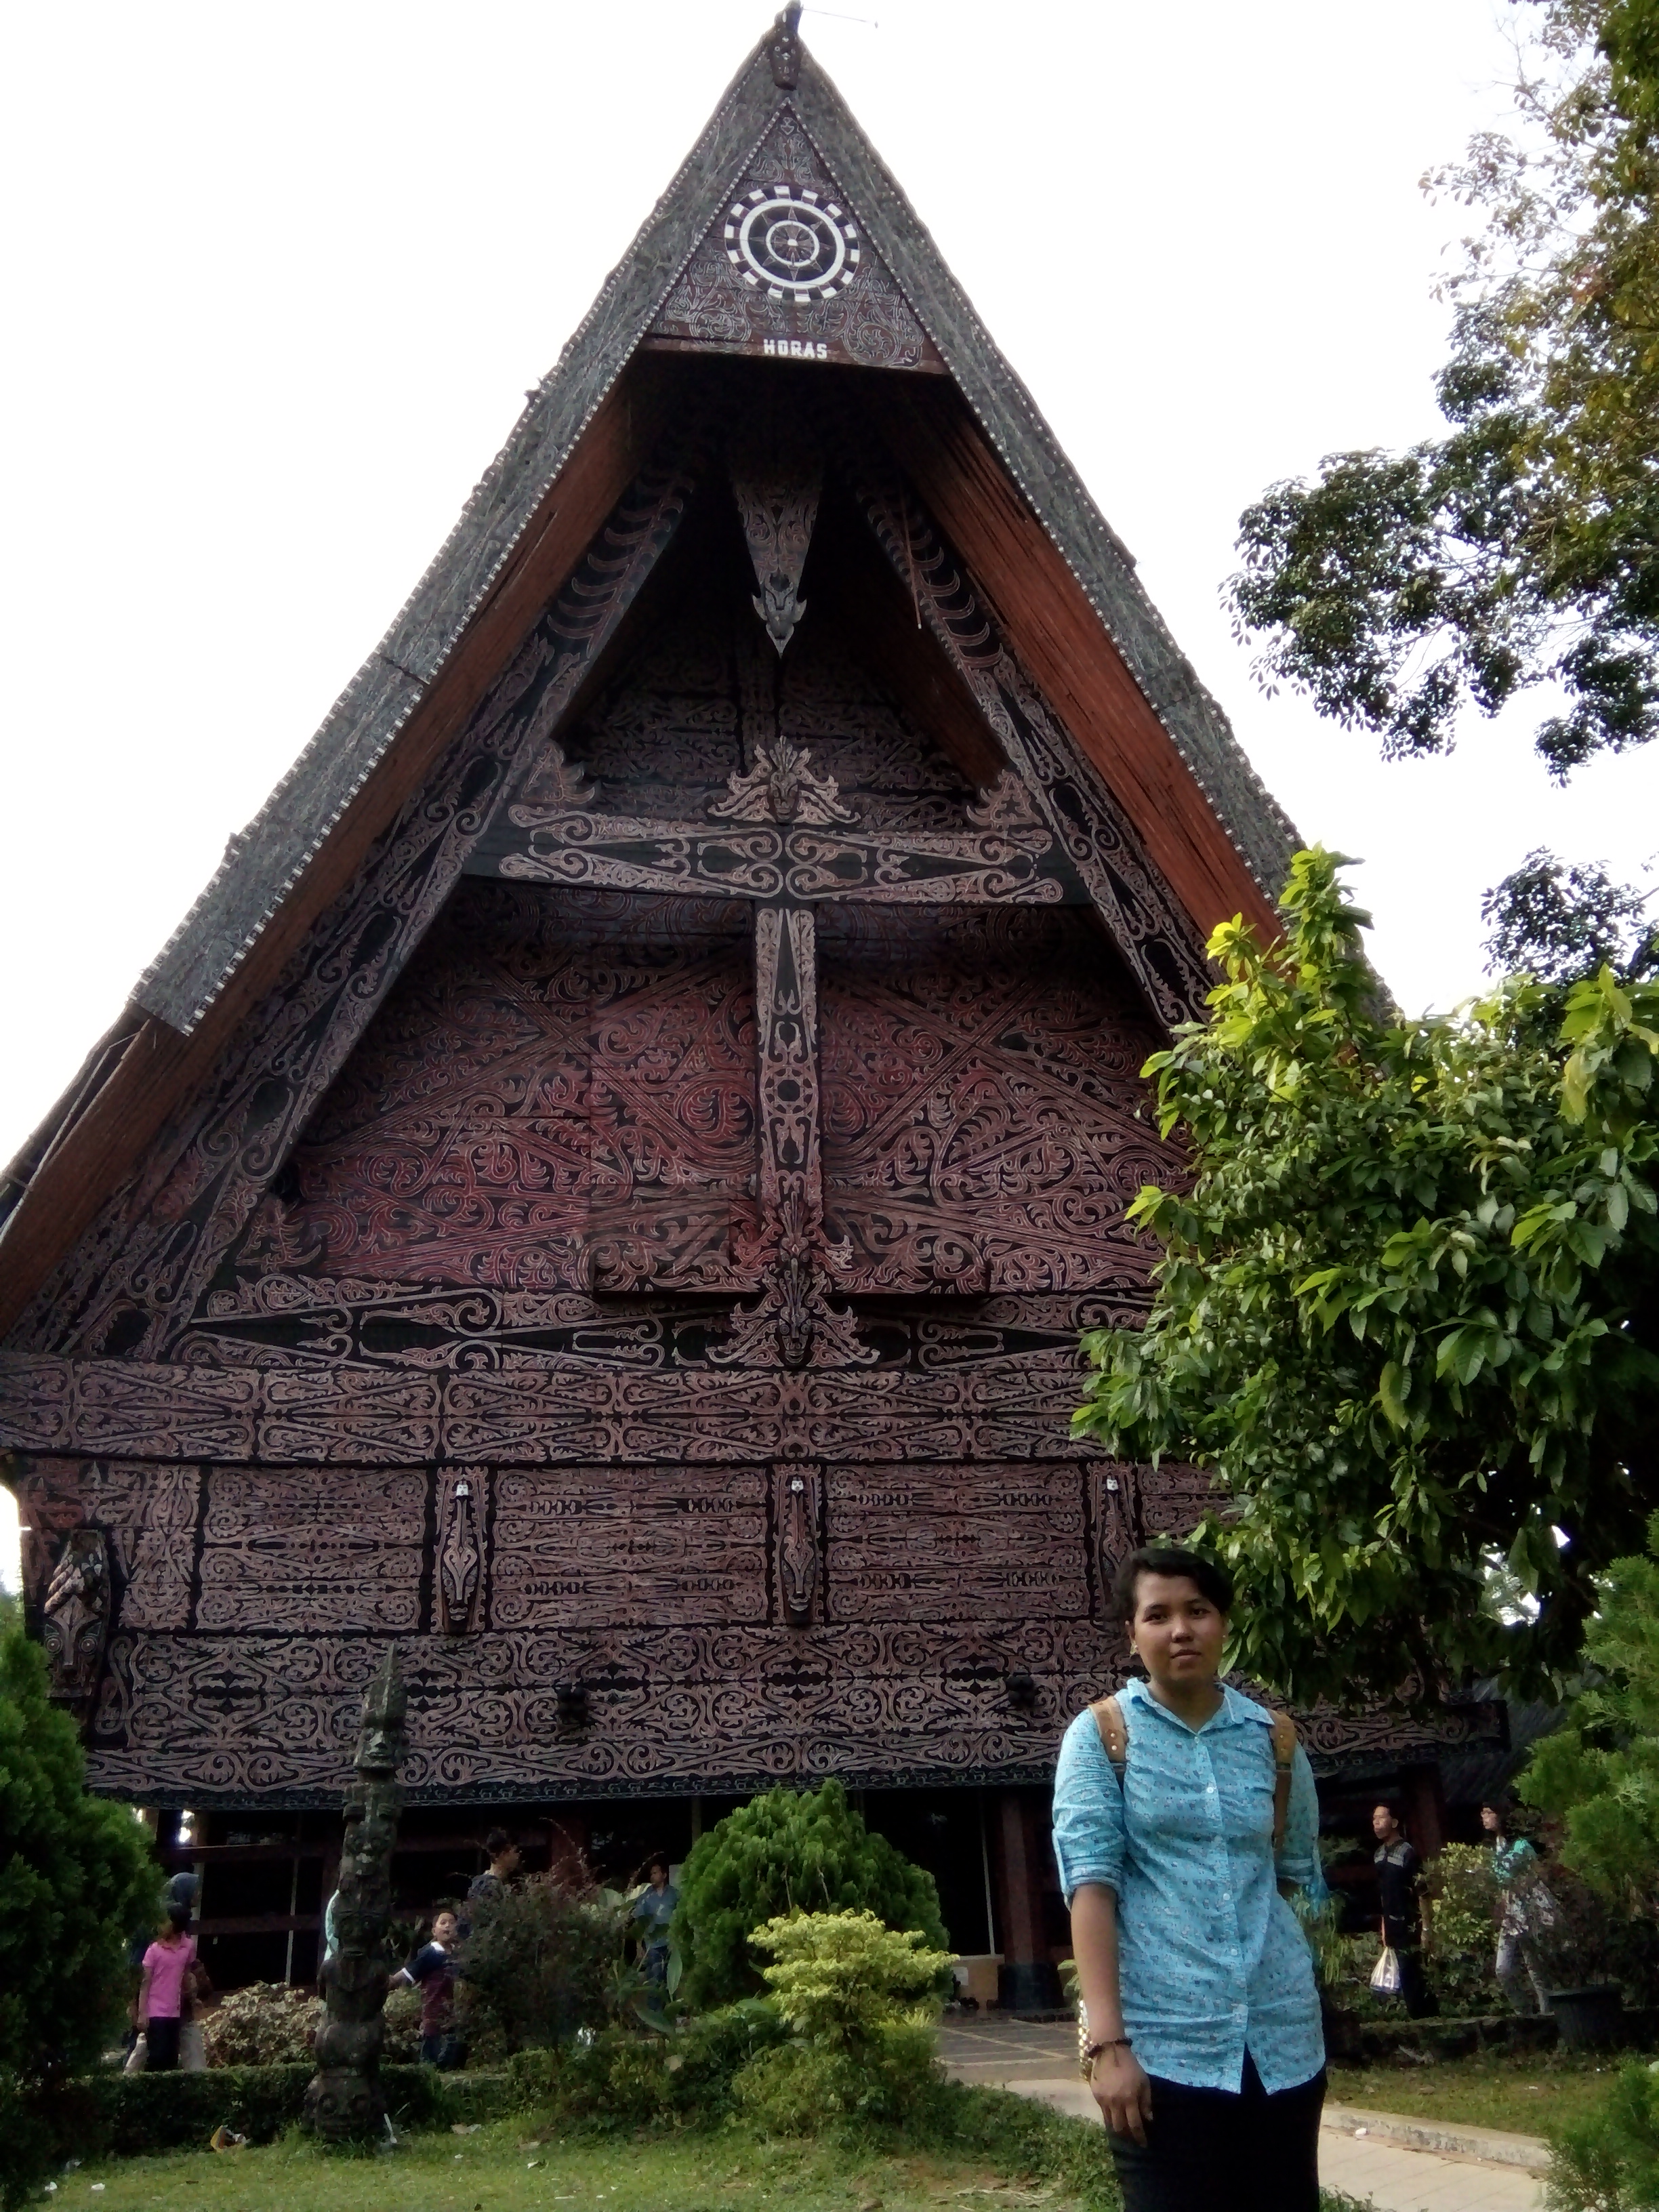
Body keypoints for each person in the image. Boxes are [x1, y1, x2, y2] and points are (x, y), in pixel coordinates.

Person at [1053, 1545, 1326, 2212]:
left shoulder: (1276, 1741)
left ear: (1223, 1625)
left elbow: (1296, 1879)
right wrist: (1106, 2044)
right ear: (1132, 1634)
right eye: (1159, 1615)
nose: (1181, 1630)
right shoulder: (1101, 1738)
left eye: (1198, 1611)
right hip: (1162, 2052)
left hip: (1283, 2047)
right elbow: (1090, 1889)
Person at [1481, 1801, 1557, 2014]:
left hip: (1529, 1908)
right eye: (1483, 1813)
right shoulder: (1493, 1847)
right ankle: (1523, 2011)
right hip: (1510, 1912)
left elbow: (1539, 1873)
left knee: (1536, 1967)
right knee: (1503, 1968)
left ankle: (1547, 2014)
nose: (1484, 1817)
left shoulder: (1521, 1844)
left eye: (1489, 1812)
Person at [1371, 1802, 1437, 2019]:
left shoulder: (1407, 1852)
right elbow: (1383, 1893)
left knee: (1413, 1972)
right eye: (1374, 1819)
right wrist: (1383, 1925)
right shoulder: (1378, 1855)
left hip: (1409, 1923)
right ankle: (1415, 2016)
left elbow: (1422, 1892)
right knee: (1402, 1974)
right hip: (1391, 1924)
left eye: (1381, 1818)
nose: (1376, 1823)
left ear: (1395, 1822)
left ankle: (1427, 2017)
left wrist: (1427, 1927)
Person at [390, 1908, 464, 2069]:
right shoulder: (431, 1953)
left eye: (452, 1923)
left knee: (452, 2045)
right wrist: (393, 1980)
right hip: (434, 2008)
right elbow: (412, 1969)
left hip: (453, 2010)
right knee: (432, 2044)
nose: (448, 1926)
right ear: (434, 1931)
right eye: (443, 1923)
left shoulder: (459, 1954)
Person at [135, 1903, 197, 2072]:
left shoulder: (188, 1947)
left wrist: (192, 1997)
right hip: (156, 2011)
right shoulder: (154, 1950)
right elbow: (146, 1982)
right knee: (158, 2057)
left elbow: (186, 1974)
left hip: (174, 2012)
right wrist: (142, 2013)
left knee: (171, 2059)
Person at [632, 1856, 678, 1992]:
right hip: (653, 1945)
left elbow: (682, 1913)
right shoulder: (645, 1897)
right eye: (651, 1874)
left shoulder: (674, 1894)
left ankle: (669, 2010)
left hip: (671, 1943)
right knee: (655, 1980)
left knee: (671, 1980)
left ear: (664, 1875)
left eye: (655, 1873)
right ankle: (655, 2011)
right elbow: (639, 1921)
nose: (652, 1876)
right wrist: (639, 1945)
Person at [466, 1828, 521, 1917]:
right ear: (504, 1855)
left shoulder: (494, 1884)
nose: (518, 1856)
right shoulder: (487, 1887)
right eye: (515, 1852)